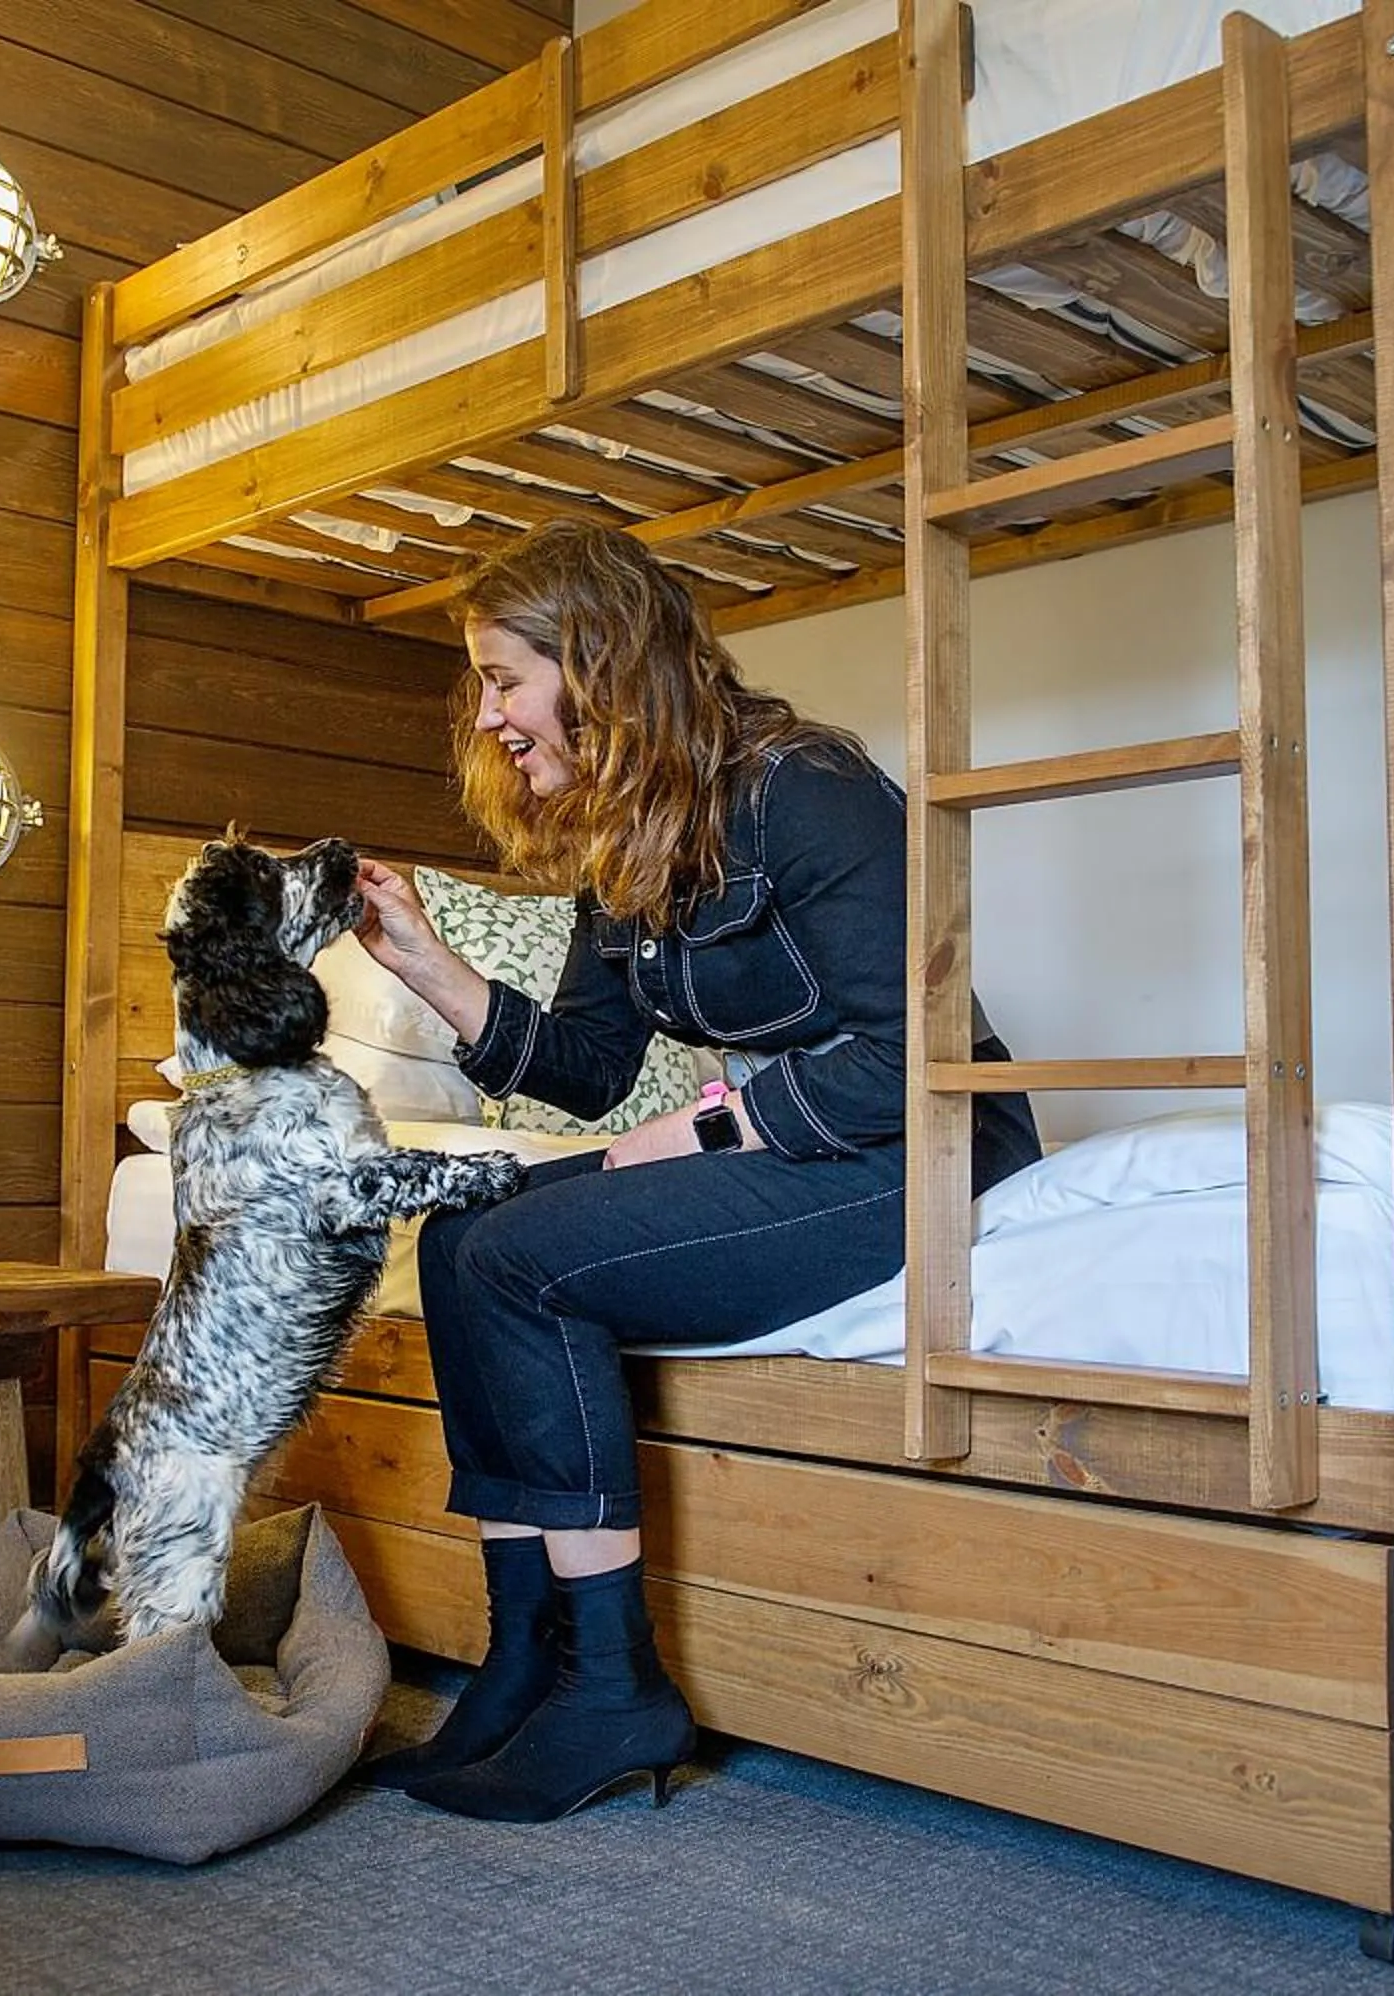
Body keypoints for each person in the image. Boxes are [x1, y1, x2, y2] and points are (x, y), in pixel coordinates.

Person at [346, 520, 1044, 1822]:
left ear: (598, 662)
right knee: (456, 1234)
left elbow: (919, 1055)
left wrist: (709, 1131)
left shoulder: (803, 788)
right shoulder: (626, 838)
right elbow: (593, 1070)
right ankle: (521, 1664)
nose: (486, 712)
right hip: (807, 1145)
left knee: (518, 1256)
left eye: (505, 677)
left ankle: (616, 1691)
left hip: (923, 1150)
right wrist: (427, 965)